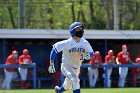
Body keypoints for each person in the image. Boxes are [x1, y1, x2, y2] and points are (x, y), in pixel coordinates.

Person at [48, 22, 94, 93]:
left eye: (81, 28)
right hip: (66, 66)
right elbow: (54, 49)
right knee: (75, 80)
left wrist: (89, 56)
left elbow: (92, 53)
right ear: (72, 31)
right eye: (78, 29)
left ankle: (59, 90)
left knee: (68, 86)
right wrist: (51, 64)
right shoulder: (67, 42)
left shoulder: (84, 42)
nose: (81, 30)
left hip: (77, 67)